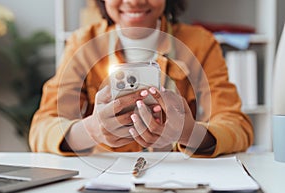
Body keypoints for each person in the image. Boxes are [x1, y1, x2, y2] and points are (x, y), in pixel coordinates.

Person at [29, 0, 253, 157]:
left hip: (175, 178)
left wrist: (187, 132)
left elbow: (237, 127)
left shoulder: (200, 44)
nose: (134, 1)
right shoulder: (82, 44)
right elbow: (41, 128)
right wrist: (92, 130)